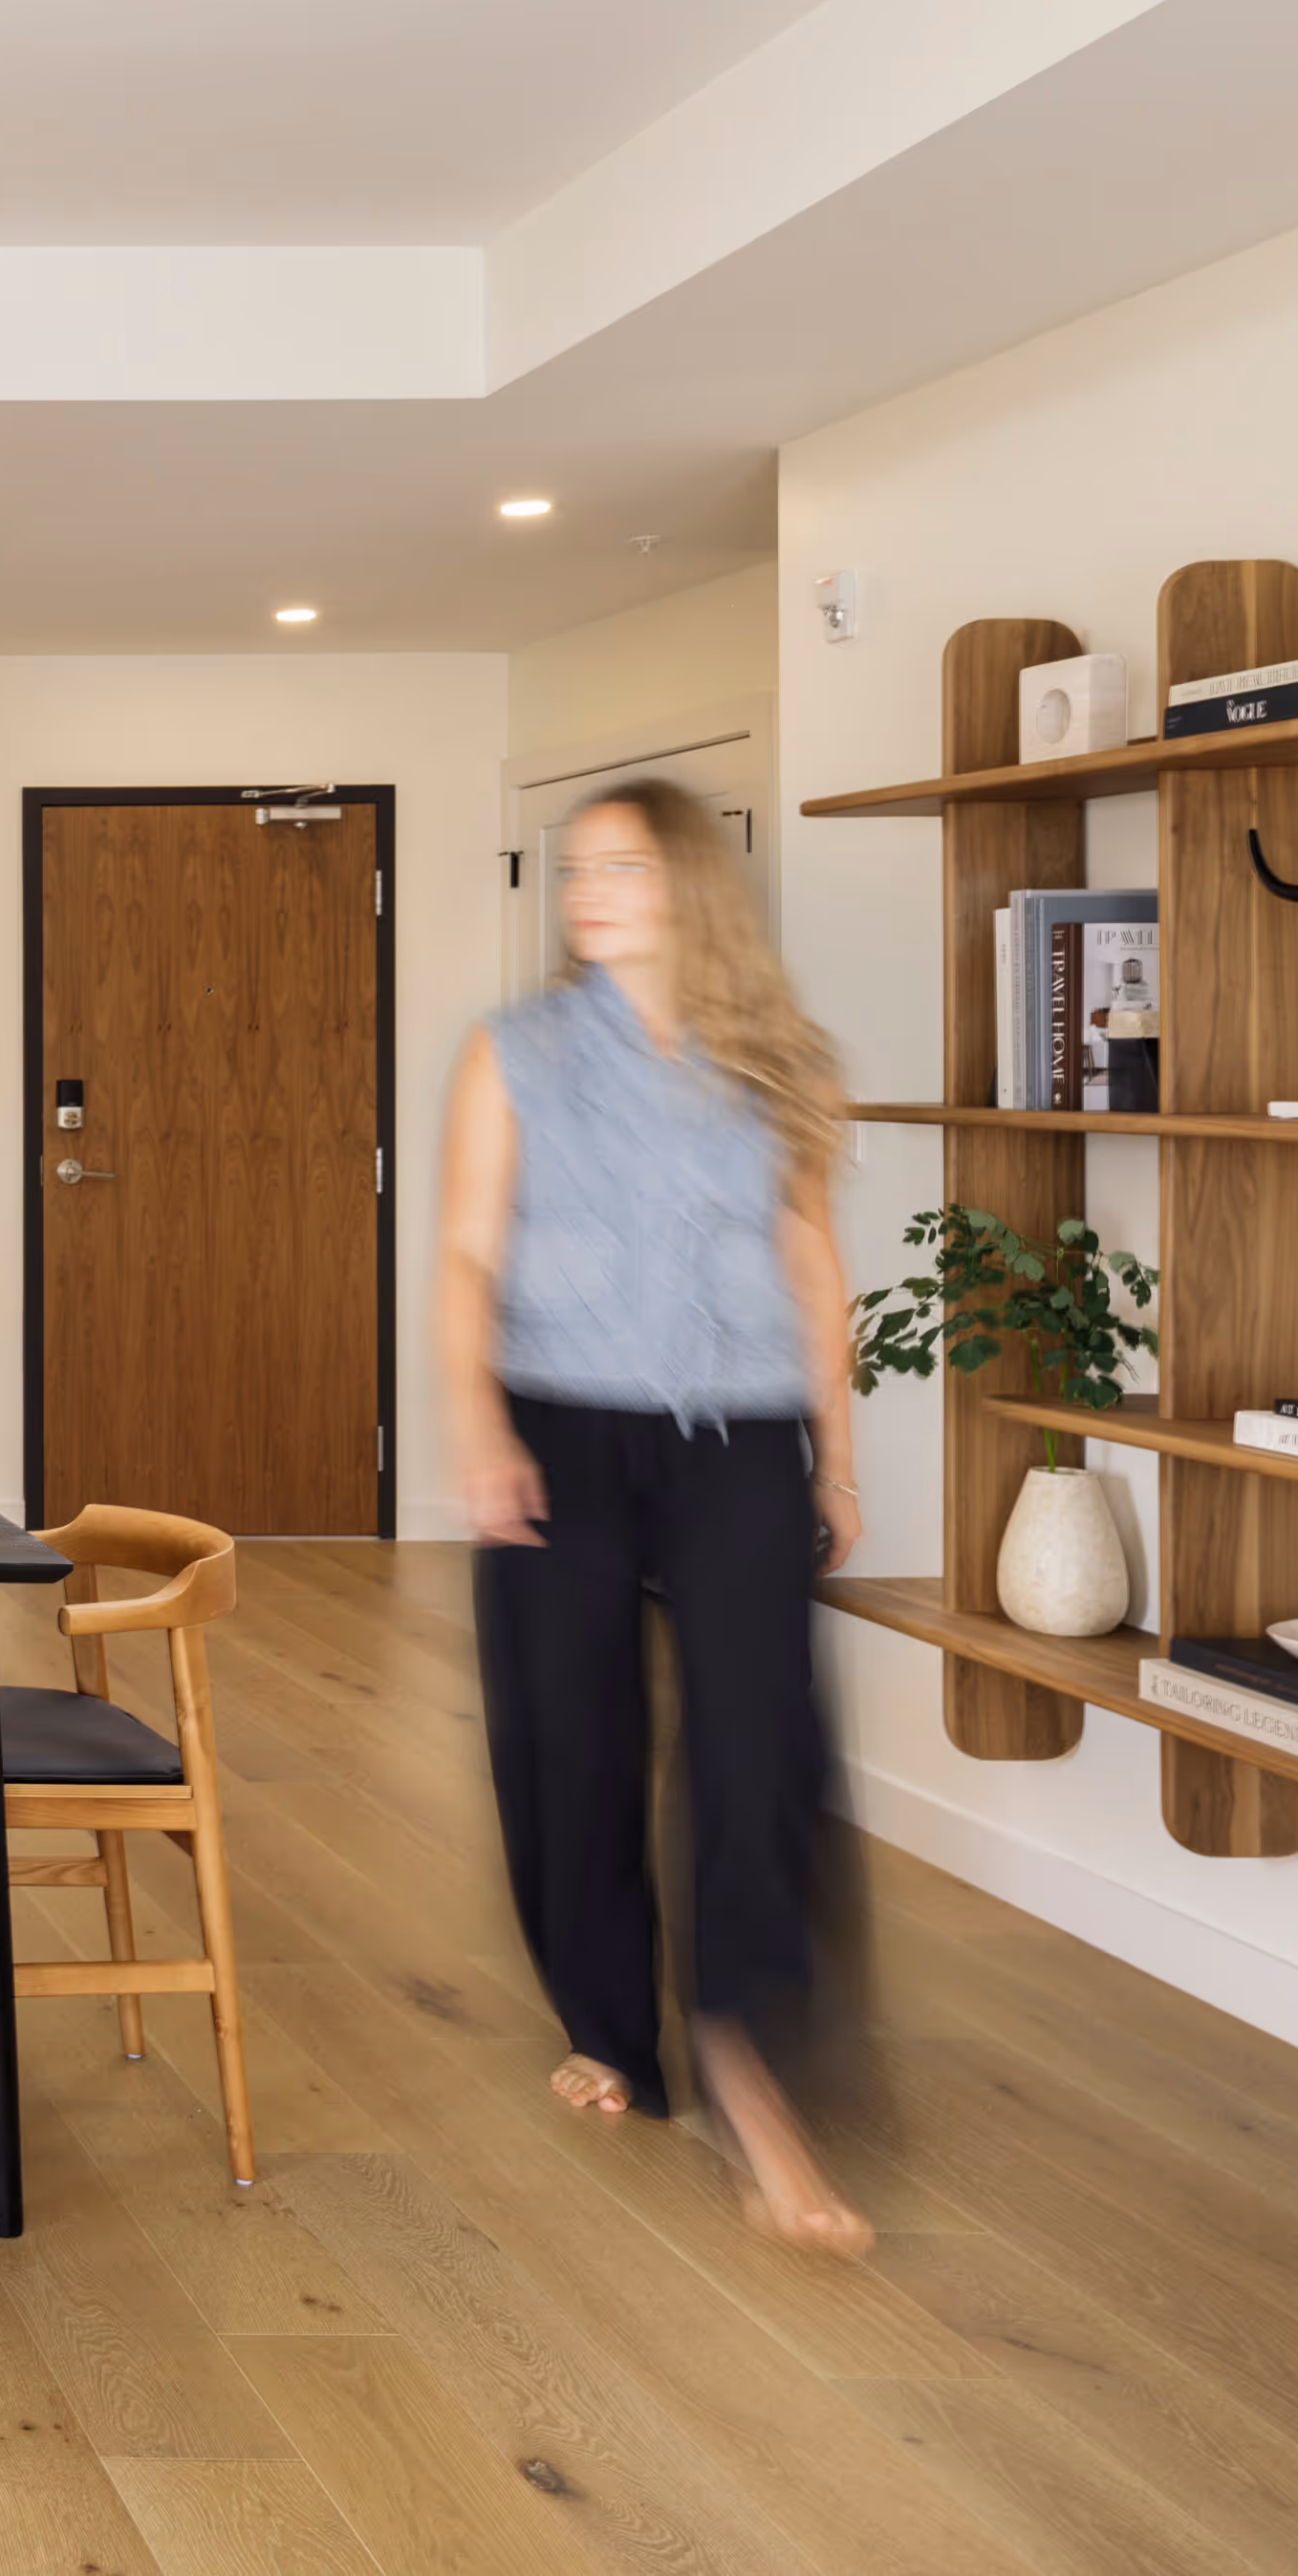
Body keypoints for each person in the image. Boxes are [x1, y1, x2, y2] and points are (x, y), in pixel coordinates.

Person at [433, 775, 871, 2255]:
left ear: (691, 883)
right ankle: (609, 2031)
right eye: (576, 872)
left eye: (619, 868)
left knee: (759, 1744)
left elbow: (811, 1262)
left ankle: (749, 2069)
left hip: (740, 1432)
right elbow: (463, 1257)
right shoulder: (513, 1051)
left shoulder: (784, 1061)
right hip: (558, 1426)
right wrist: (479, 1429)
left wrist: (836, 1457)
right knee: (570, 1738)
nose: (586, 893)